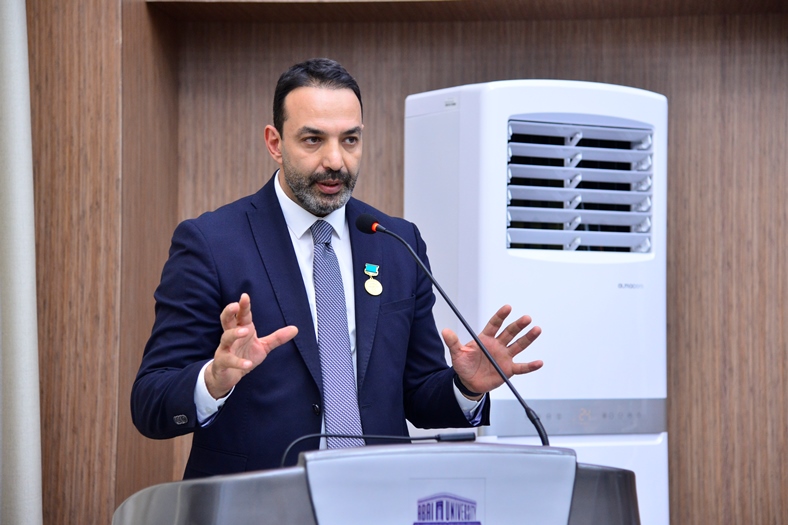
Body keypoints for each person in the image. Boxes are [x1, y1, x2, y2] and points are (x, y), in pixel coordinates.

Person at [131, 58, 543, 479]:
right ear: (275, 143)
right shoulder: (212, 243)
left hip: (380, 497)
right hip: (258, 501)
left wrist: (465, 387)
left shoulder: (396, 243)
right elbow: (150, 402)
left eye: (350, 140)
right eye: (313, 140)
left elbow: (418, 396)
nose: (335, 160)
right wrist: (213, 381)